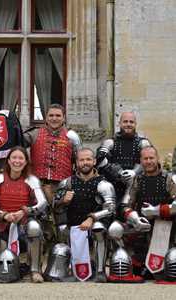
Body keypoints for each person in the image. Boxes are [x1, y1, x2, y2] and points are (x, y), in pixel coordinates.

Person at [108, 146, 176, 283]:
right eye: (145, 158)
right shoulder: (136, 180)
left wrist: (157, 211)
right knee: (114, 229)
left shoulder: (169, 179)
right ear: (141, 161)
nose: (149, 161)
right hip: (141, 227)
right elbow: (125, 205)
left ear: (157, 159)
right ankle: (126, 263)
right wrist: (135, 219)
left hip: (166, 227)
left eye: (151, 158)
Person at [0, 146, 48, 283]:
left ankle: (35, 270)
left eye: (21, 158)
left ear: (25, 162)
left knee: (34, 227)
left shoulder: (32, 180)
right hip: (4, 222)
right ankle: (7, 269)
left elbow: (42, 203)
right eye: (14, 158)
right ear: (8, 160)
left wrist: (24, 211)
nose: (17, 161)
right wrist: (3, 215)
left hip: (24, 222)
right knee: (5, 263)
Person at [50, 148, 116, 282]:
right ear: (76, 162)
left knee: (99, 228)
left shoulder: (103, 184)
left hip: (93, 225)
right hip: (73, 225)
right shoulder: (67, 183)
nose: (85, 163)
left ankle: (100, 271)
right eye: (81, 160)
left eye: (88, 159)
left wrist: (92, 218)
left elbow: (111, 208)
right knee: (62, 229)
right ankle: (68, 268)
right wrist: (63, 200)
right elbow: (54, 205)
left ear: (94, 161)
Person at [24, 104, 82, 242]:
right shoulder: (34, 133)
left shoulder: (71, 136)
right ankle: (36, 260)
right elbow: (15, 144)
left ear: (63, 118)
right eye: (51, 115)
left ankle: (63, 257)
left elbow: (80, 162)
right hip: (38, 186)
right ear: (46, 117)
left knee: (62, 226)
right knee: (36, 225)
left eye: (58, 116)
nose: (54, 118)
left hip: (62, 186)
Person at [96, 111, 151, 208]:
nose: (128, 124)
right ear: (119, 123)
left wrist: (135, 172)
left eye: (131, 122)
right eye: (125, 121)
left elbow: (151, 162)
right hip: (113, 187)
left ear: (135, 124)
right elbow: (99, 162)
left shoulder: (143, 143)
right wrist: (118, 173)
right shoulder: (110, 142)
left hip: (136, 187)